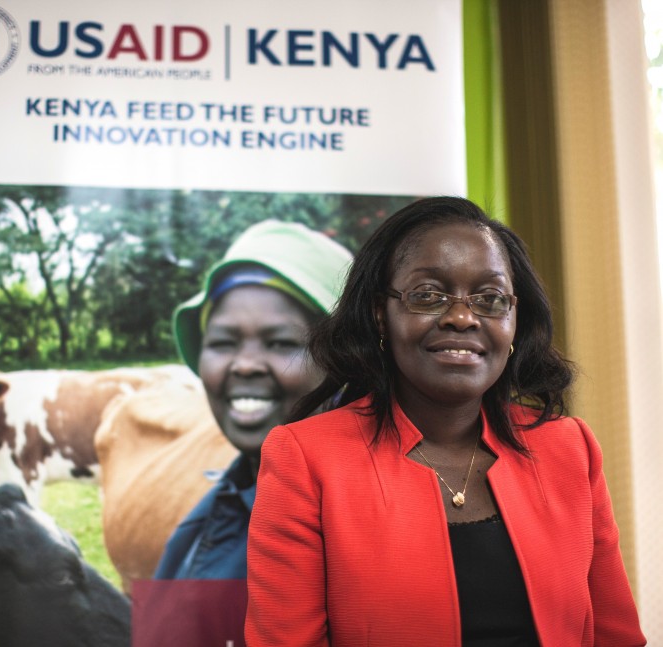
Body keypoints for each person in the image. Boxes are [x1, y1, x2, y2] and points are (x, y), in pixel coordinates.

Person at [245, 197, 646, 646]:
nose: (461, 317)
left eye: (490, 298)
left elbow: (617, 636)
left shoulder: (568, 448)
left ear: (515, 319)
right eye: (429, 296)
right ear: (382, 313)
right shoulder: (306, 457)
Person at [154, 219, 352, 581]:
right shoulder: (204, 524)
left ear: (344, 365)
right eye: (223, 343)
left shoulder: (369, 535)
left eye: (280, 342)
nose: (244, 365)